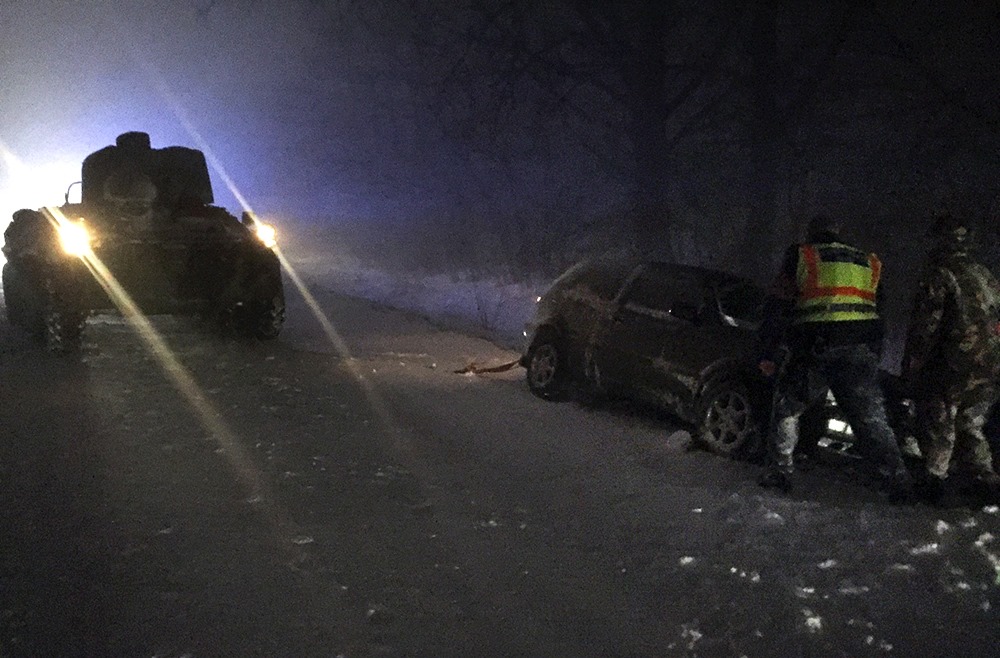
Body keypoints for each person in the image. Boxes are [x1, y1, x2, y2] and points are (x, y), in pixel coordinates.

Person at [757, 214, 914, 500]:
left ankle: (780, 471)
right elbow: (878, 312)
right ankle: (898, 481)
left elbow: (777, 305)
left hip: (816, 348)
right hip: (859, 352)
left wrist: (767, 351)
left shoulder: (803, 255)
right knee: (870, 419)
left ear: (812, 232)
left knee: (787, 408)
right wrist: (874, 351)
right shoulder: (867, 261)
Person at [902, 214, 1000, 504]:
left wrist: (914, 363)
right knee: (971, 423)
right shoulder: (986, 274)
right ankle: (985, 482)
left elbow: (927, 325)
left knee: (939, 421)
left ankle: (934, 482)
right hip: (990, 362)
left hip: (953, 362)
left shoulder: (940, 273)